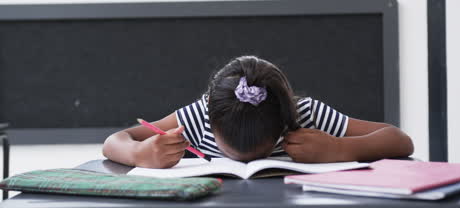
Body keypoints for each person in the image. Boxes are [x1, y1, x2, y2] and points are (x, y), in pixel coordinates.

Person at [103, 56, 414, 168]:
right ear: (211, 117)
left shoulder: (306, 115)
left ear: (285, 120)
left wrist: (340, 148)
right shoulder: (198, 116)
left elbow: (399, 140)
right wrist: (138, 154)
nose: (248, 163)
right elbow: (114, 141)